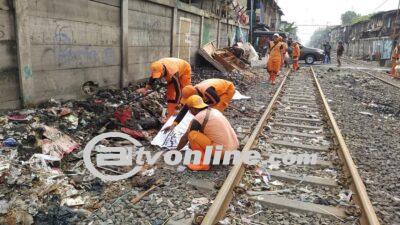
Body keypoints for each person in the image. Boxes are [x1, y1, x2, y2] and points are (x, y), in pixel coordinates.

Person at [177, 95, 239, 171]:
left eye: (190, 109)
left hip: (223, 153)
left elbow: (185, 138)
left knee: (192, 135)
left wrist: (176, 151)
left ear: (193, 108)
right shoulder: (214, 111)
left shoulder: (198, 118)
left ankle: (203, 164)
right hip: (234, 147)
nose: (190, 112)